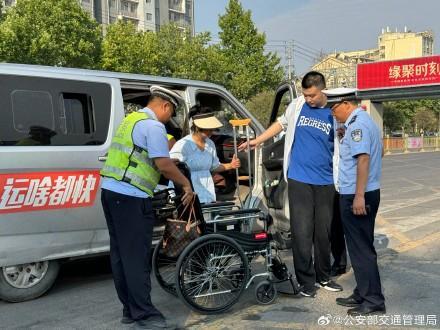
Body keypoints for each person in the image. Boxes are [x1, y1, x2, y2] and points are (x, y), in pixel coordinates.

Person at [239, 71, 342, 297]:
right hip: (299, 179)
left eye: (312, 95)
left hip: (326, 181)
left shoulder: (334, 113)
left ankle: (323, 277)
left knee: (323, 233)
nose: (308, 99)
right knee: (302, 232)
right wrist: (258, 140)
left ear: (322, 90)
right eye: (305, 94)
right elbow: (280, 124)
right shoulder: (296, 106)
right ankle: (307, 282)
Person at [100, 85, 194, 329]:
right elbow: (162, 165)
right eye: (170, 112)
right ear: (164, 105)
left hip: (111, 193)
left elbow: (138, 155)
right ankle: (145, 314)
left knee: (121, 256)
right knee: (136, 258)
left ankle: (130, 310)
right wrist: (185, 184)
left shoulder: (131, 120)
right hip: (131, 197)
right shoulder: (154, 126)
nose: (168, 119)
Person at [325, 88, 386, 316]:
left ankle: (373, 301)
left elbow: (363, 159)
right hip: (363, 191)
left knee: (361, 250)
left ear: (346, 104)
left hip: (357, 195)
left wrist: (359, 195)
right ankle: (363, 292)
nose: (332, 114)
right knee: (360, 246)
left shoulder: (357, 125)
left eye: (334, 109)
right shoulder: (363, 121)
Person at [170, 112, 240, 204]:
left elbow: (214, 167)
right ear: (197, 128)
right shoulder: (183, 144)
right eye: (208, 129)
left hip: (208, 193)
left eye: (212, 129)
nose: (211, 132)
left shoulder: (210, 144)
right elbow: (170, 167)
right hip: (188, 195)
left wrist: (231, 165)